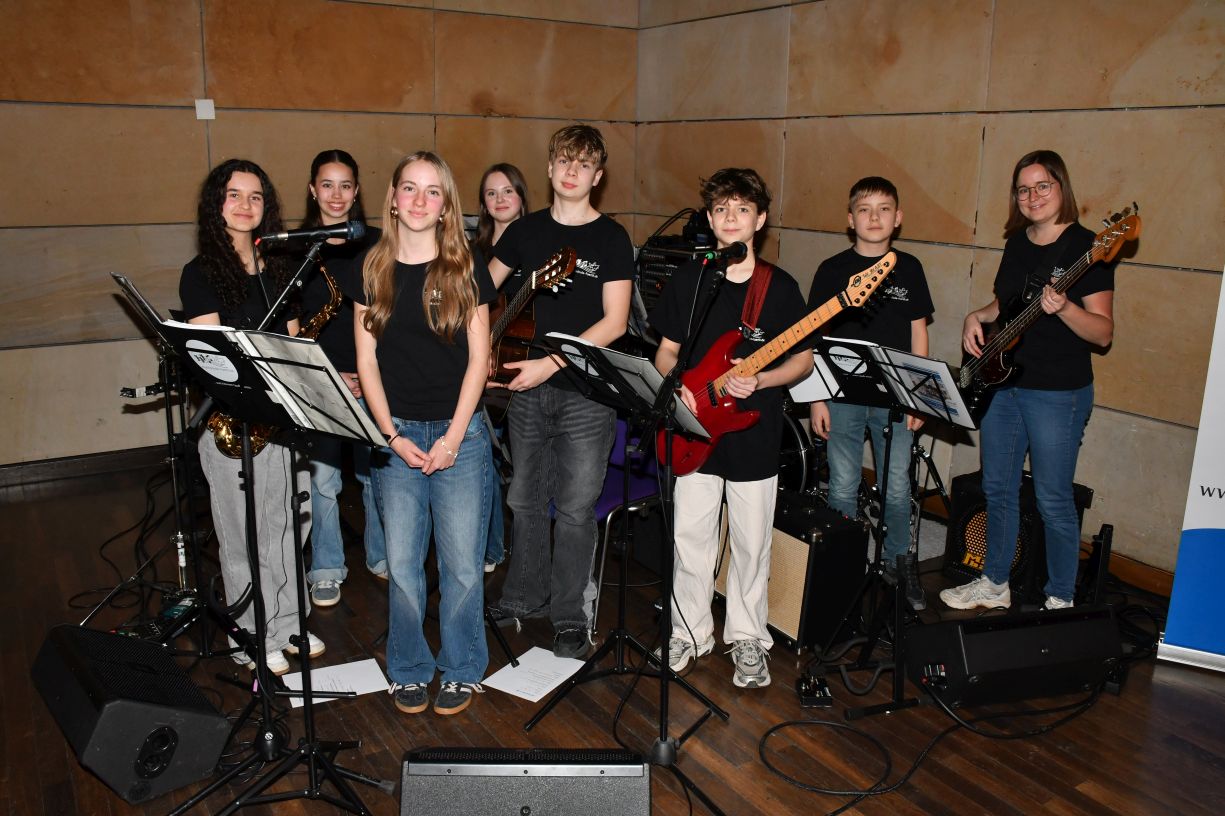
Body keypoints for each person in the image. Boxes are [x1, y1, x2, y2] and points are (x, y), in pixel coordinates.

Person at [650, 168, 813, 688]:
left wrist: (762, 378)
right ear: (709, 218)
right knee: (690, 538)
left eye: (742, 209)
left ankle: (747, 637)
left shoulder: (779, 288)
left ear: (760, 220)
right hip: (694, 428)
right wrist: (675, 386)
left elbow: (803, 360)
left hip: (754, 431)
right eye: (721, 209)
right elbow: (667, 352)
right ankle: (688, 632)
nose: (731, 218)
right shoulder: (690, 279)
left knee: (751, 544)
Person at [940, 150, 1114, 611]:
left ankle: (1060, 598)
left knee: (1052, 498)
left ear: (1061, 187)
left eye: (1042, 186)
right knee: (997, 487)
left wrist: (1067, 308)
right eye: (1023, 189)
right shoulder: (1017, 243)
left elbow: (1103, 332)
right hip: (1004, 384)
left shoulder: (1088, 247)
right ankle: (995, 581)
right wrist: (978, 316)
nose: (1032, 196)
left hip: (1058, 392)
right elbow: (1007, 303)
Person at [354, 151, 496, 716]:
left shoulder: (465, 268)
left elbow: (479, 359)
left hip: (462, 436)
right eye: (408, 188)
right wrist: (391, 435)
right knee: (404, 566)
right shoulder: (372, 268)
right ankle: (409, 667)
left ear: (446, 206)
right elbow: (366, 361)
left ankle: (462, 667)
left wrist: (454, 439)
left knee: (461, 566)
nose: (418, 200)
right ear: (392, 198)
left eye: (432, 191)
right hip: (397, 438)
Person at [485, 125, 634, 659]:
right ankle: (524, 595)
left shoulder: (611, 238)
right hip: (524, 386)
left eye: (583, 164)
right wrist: (485, 345)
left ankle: (569, 614)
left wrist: (550, 364)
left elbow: (615, 322)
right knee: (524, 498)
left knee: (574, 508)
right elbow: (480, 291)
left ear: (598, 176)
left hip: (586, 393)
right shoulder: (524, 232)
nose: (572, 171)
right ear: (549, 169)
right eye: (564, 161)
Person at [179, 158, 322, 675]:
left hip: (279, 422)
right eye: (234, 195)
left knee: (287, 527)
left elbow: (293, 345)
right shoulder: (200, 274)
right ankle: (251, 635)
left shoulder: (280, 270)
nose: (246, 205)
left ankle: (288, 622)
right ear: (216, 205)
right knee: (242, 536)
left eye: (256, 196)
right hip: (231, 423)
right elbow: (214, 357)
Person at [807, 177, 934, 608]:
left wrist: (917, 396)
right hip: (841, 397)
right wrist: (816, 398)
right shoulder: (831, 270)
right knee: (842, 485)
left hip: (895, 399)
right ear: (850, 219)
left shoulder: (910, 268)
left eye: (884, 209)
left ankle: (898, 561)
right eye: (864, 209)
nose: (874, 217)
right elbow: (814, 339)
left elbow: (919, 334)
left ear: (898, 218)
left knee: (896, 486)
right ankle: (842, 563)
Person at [299, 149, 386, 608]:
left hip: (375, 377)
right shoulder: (295, 248)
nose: (336, 195)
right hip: (321, 381)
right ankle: (327, 567)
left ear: (356, 191)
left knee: (376, 478)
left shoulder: (379, 244)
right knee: (324, 481)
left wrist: (368, 374)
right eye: (327, 185)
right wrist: (328, 376)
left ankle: (381, 555)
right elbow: (289, 326)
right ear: (313, 190)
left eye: (345, 185)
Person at [474, 163, 529, 574]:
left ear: (522, 196)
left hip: (525, 362)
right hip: (484, 364)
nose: (500, 199)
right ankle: (490, 547)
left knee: (520, 468)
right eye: (491, 193)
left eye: (508, 190)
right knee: (483, 458)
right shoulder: (474, 252)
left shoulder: (538, 245)